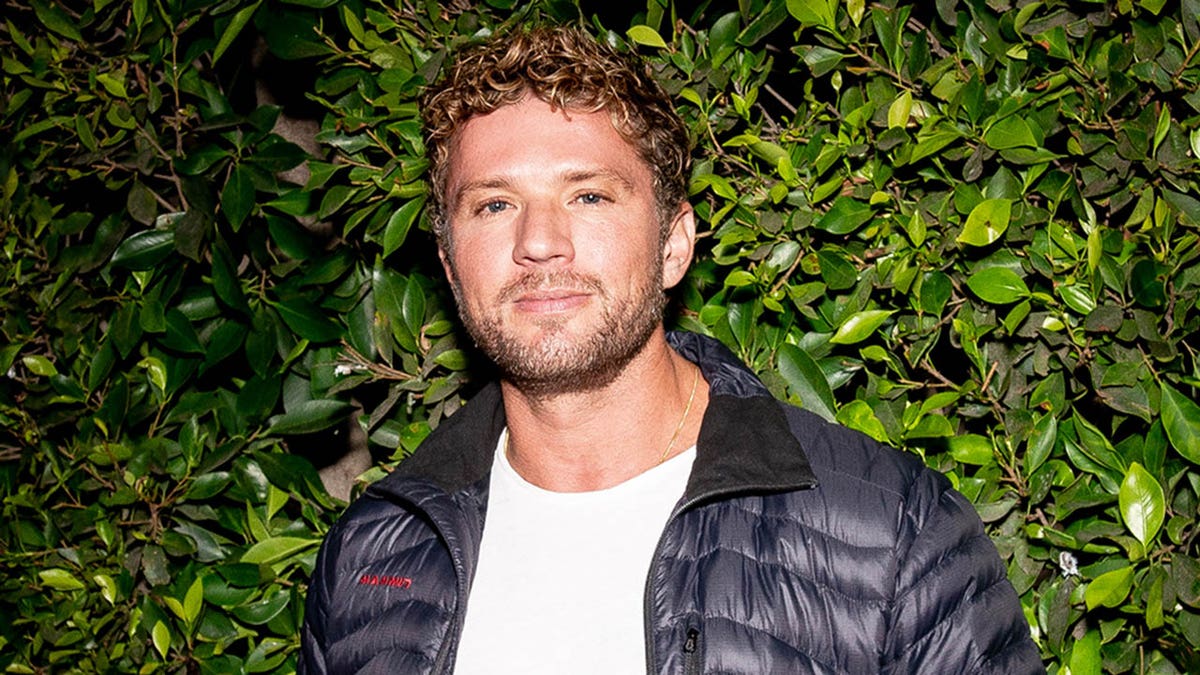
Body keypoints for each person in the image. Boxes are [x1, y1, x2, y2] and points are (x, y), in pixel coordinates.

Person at [299, 24, 1044, 674]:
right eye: (494, 205)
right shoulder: (371, 560)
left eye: (588, 195)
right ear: (451, 263)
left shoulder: (892, 534)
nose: (539, 243)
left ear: (673, 246)